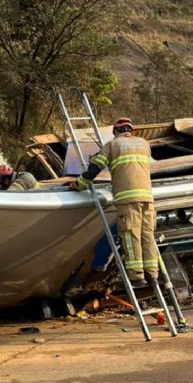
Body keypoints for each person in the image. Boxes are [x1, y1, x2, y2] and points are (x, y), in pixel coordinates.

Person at [70, 117, 158, 287]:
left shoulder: (112, 145)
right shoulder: (144, 144)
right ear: (130, 130)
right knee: (147, 235)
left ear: (115, 131)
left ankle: (136, 276)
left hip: (127, 199)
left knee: (131, 235)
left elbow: (94, 170)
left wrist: (79, 184)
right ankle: (152, 274)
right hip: (148, 198)